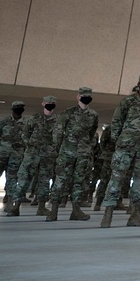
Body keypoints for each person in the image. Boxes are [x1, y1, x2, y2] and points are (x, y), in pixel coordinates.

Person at [101, 75, 140, 228]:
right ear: (139, 84)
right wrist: (120, 139)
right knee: (117, 178)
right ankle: (107, 214)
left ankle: (135, 214)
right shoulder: (127, 101)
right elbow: (116, 121)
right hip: (126, 146)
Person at [48, 88, 99, 221]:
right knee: (60, 180)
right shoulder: (67, 113)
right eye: (84, 96)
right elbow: (58, 133)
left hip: (83, 154)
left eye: (89, 96)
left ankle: (76, 210)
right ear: (78, 96)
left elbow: (92, 134)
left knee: (79, 181)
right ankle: (53, 211)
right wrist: (59, 149)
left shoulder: (93, 115)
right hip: (67, 152)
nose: (86, 98)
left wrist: (87, 148)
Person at [8, 96, 58, 216]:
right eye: (47, 103)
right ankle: (16, 206)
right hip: (32, 155)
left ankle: (41, 207)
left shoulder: (58, 120)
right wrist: (30, 145)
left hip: (48, 156)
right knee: (24, 179)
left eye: (52, 103)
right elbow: (25, 134)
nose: (50, 105)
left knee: (44, 181)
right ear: (43, 104)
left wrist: (53, 148)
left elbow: (60, 137)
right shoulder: (34, 118)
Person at [0, 100, 27, 213]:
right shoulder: (3, 121)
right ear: (12, 108)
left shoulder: (26, 123)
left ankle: (10, 203)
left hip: (16, 156)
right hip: (0, 155)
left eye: (21, 107)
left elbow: (28, 139)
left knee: (12, 179)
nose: (19, 108)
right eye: (17, 107)